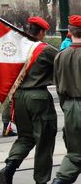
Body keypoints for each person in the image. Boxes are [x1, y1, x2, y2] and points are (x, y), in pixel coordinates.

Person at [0, 16, 57, 184]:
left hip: (19, 97)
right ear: (42, 32)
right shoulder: (45, 50)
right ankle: (41, 180)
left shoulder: (15, 47)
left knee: (25, 137)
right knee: (45, 140)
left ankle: (9, 168)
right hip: (38, 97)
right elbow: (61, 61)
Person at [51, 15, 81, 184]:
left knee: (74, 153)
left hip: (70, 107)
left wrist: (68, 107)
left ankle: (60, 181)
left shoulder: (60, 56)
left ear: (70, 32)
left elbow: (58, 87)